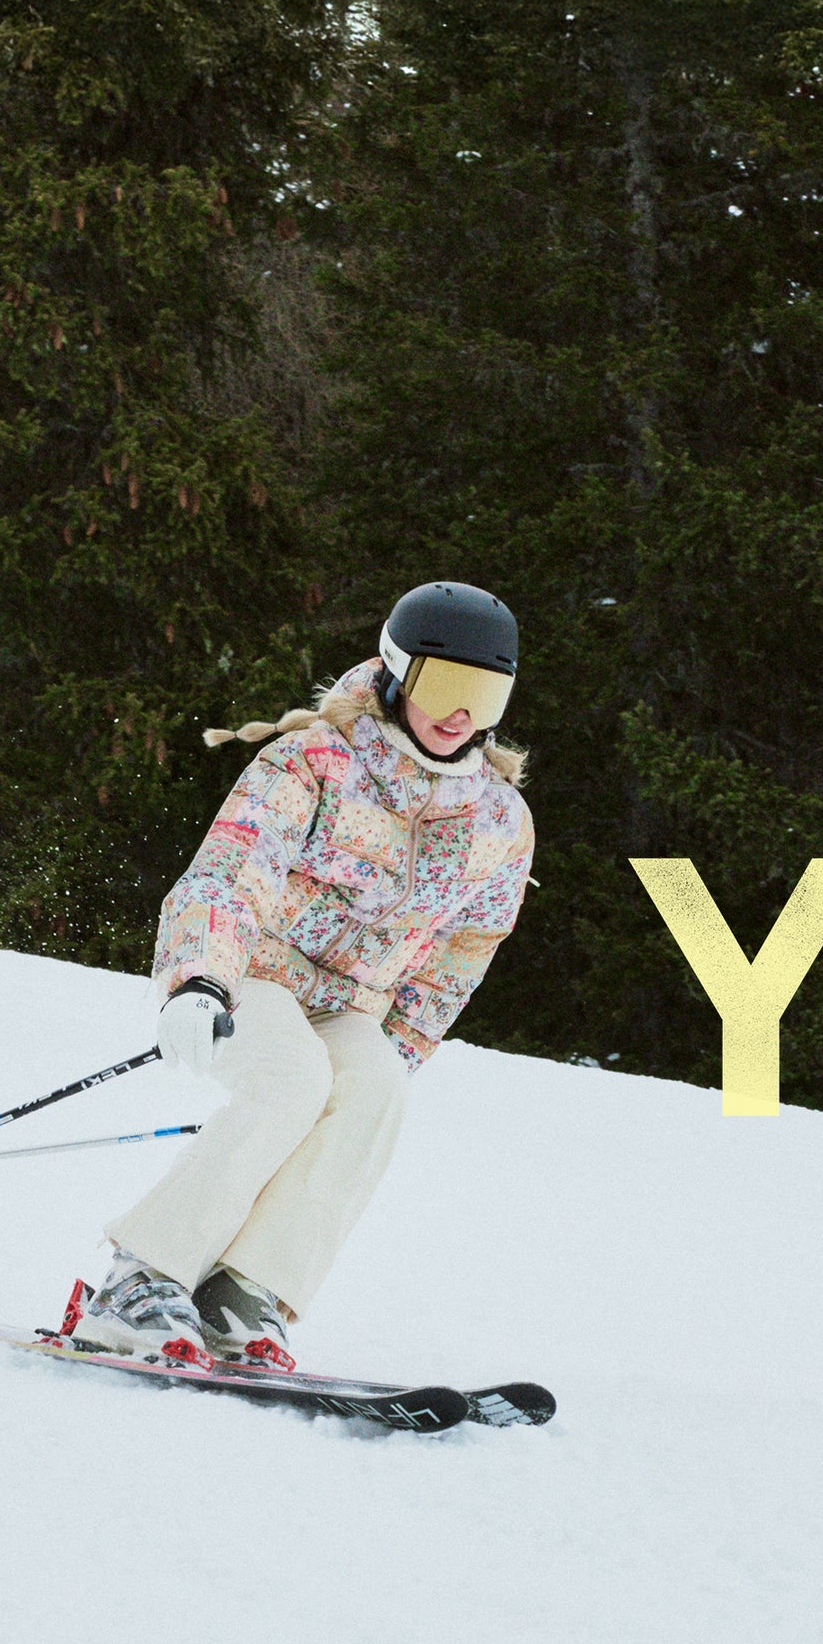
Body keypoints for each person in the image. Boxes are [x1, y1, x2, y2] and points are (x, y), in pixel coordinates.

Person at [73, 580, 536, 1372]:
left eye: (485, 692)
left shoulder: (499, 820)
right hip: (247, 971)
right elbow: (229, 871)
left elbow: (461, 955)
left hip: (350, 1004)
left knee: (376, 1093)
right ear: (396, 672)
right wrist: (200, 979)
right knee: (290, 1079)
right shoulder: (314, 760)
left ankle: (244, 1291)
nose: (462, 713)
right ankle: (138, 1279)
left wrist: (398, 1047)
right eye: (445, 685)